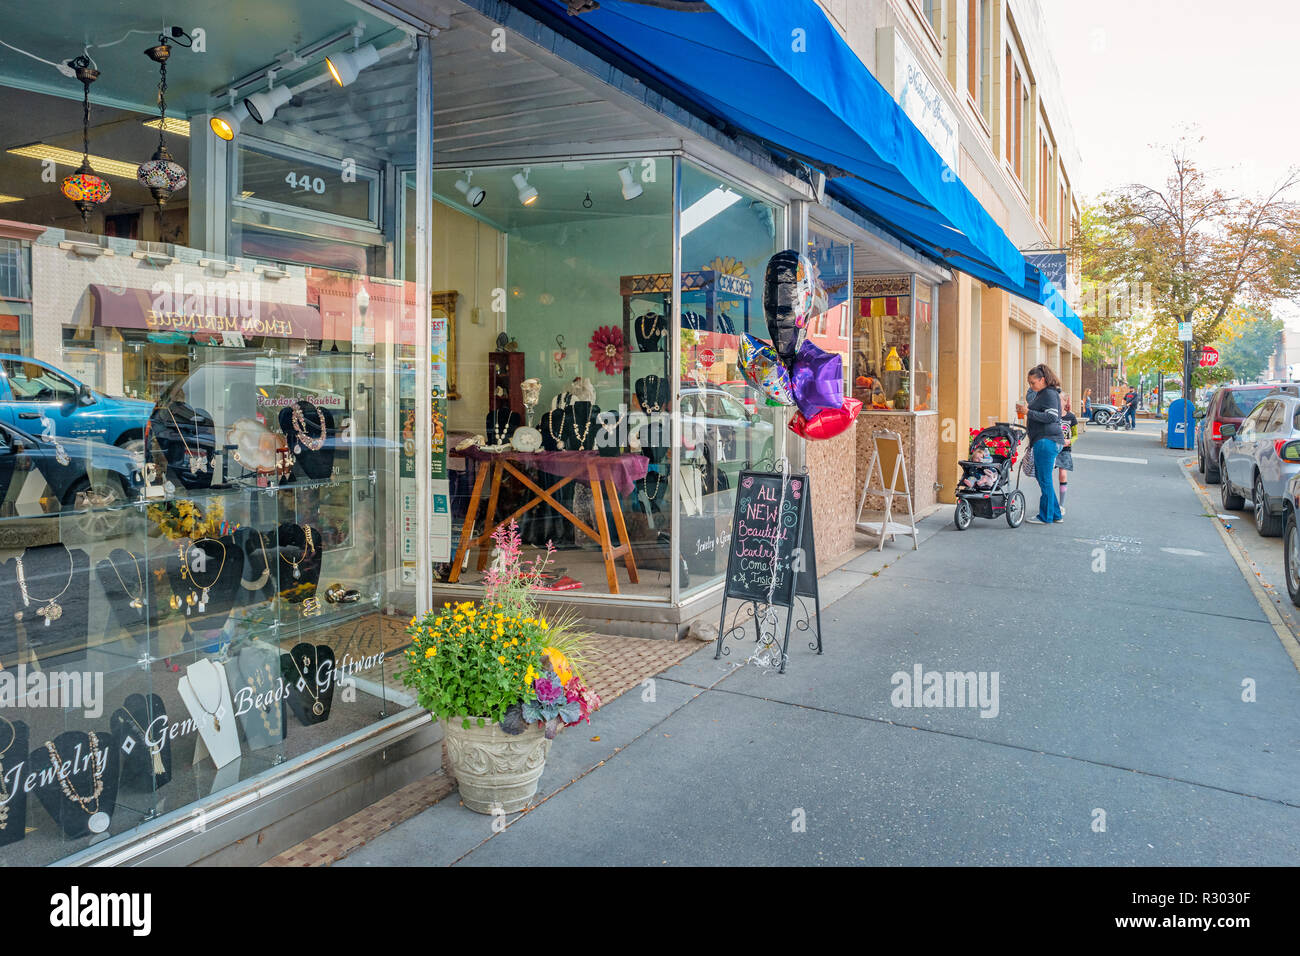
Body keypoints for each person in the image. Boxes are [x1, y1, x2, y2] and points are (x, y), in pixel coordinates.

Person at [1015, 364, 1065, 524]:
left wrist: (1028, 412)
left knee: (1044, 479)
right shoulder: (1045, 393)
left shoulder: (1048, 394)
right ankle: (1055, 514)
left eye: (1033, 382)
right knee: (1043, 478)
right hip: (1045, 440)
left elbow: (1051, 417)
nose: (1031, 386)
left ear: (1042, 379)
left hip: (1046, 440)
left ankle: (1046, 516)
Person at [1057, 396, 1078, 516]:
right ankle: (1050, 502)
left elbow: (1075, 435)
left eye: (1061, 400)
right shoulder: (1052, 415)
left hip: (1064, 450)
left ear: (1065, 401)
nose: (1058, 402)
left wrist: (1070, 441)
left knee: (1063, 475)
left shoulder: (1071, 417)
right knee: (1046, 477)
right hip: (1052, 448)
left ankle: (1061, 505)